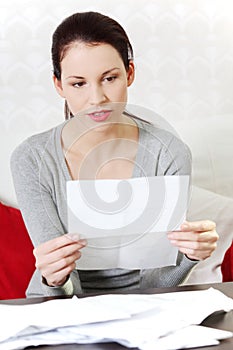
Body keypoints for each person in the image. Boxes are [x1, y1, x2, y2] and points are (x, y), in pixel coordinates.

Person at [11, 11, 218, 297]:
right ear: (59, 85)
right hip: (59, 307)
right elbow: (57, 279)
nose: (97, 99)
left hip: (147, 307)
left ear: (129, 73)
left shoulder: (168, 152)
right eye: (78, 83)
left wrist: (191, 257)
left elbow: (160, 283)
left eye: (109, 78)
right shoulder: (32, 159)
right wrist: (53, 278)